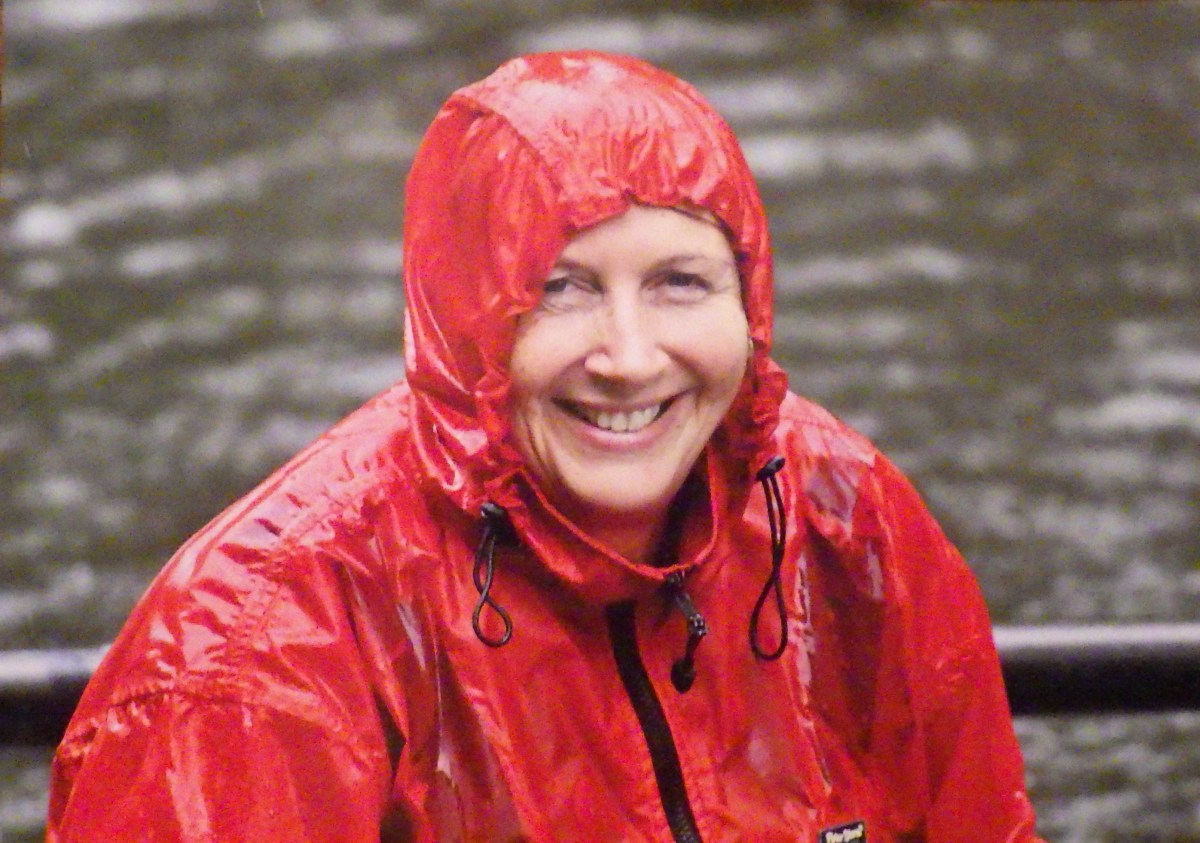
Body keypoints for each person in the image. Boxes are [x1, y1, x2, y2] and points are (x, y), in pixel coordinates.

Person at [47, 51, 1044, 842]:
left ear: (750, 303)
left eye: (680, 283)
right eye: (560, 289)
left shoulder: (845, 522)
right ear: (463, 322)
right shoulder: (258, 650)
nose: (629, 357)